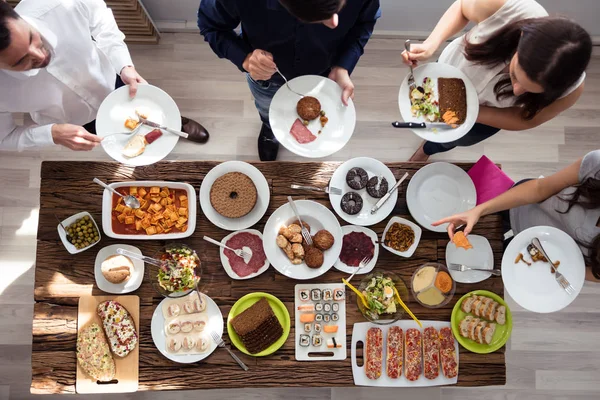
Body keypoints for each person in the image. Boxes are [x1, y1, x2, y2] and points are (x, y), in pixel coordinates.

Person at [0, 0, 209, 151]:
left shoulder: (58, 4)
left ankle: (175, 124)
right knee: (117, 138)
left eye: (31, 37)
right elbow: (4, 137)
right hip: (76, 119)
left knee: (152, 109)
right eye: (20, 61)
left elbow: (101, 20)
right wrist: (50, 134)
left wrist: (124, 64)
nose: (41, 56)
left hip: (114, 78)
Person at [401, 0, 592, 161]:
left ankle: (426, 151)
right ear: (522, 37)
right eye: (516, 76)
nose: (516, 92)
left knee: (449, 139)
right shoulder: (511, 8)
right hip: (447, 72)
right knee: (429, 121)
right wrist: (431, 44)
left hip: (486, 116)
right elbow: (462, 7)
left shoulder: (572, 89)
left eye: (529, 91)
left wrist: (470, 112)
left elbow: (526, 119)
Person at [198, 0, 380, 161]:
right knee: (265, 109)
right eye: (322, 16)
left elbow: (365, 22)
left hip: (325, 73)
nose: (334, 22)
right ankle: (269, 128)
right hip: (268, 80)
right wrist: (245, 58)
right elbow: (210, 25)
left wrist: (343, 65)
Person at [433, 150, 600, 282]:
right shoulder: (596, 165)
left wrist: (555, 269)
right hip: (523, 206)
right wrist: (479, 210)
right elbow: (539, 189)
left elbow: (594, 273)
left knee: (490, 265)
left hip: (540, 257)